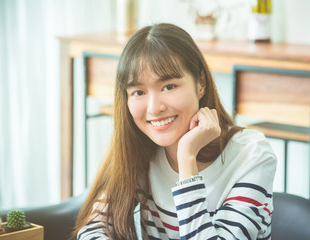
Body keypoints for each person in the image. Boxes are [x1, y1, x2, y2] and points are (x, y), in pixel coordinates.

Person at [74, 23, 276, 240]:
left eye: (169, 86)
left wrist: (187, 158)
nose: (154, 108)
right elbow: (93, 229)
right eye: (139, 92)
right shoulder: (141, 150)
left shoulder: (251, 154)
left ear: (201, 83)